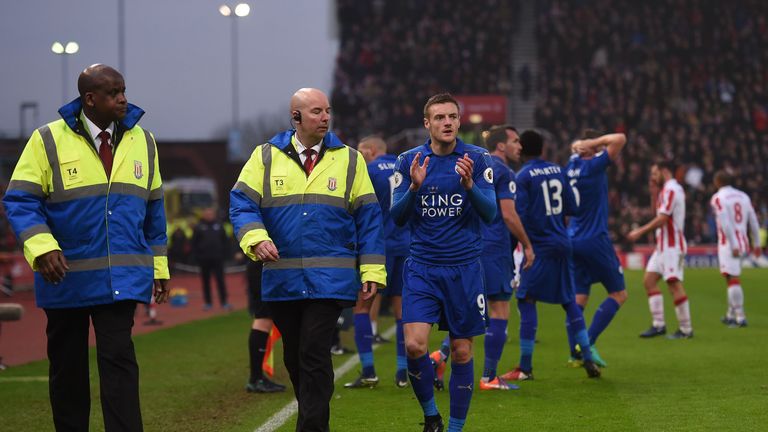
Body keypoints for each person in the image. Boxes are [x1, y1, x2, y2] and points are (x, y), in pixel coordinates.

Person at [2, 64, 169, 431]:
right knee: (68, 370)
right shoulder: (46, 140)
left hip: (121, 279)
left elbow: (154, 211)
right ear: (90, 99)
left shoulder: (145, 141)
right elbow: (19, 201)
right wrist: (43, 248)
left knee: (120, 363)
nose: (123, 98)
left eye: (123, 89)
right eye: (113, 93)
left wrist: (159, 269)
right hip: (65, 278)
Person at [229, 88, 386, 432]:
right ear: (296, 117)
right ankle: (313, 420)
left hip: (331, 279)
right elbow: (241, 203)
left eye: (328, 110)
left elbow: (369, 218)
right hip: (282, 279)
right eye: (317, 112)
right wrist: (256, 238)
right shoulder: (265, 156)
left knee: (314, 352)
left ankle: (312, 427)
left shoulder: (350, 159)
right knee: (295, 356)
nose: (326, 118)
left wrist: (372, 269)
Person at [391, 93, 497, 432]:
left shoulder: (478, 159)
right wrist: (413, 187)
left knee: (462, 352)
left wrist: (469, 186)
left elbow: (490, 213)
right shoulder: (408, 161)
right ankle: (431, 417)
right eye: (439, 118)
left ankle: (454, 428)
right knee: (414, 345)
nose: (447, 122)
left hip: (465, 269)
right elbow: (397, 217)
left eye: (452, 116)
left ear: (459, 121)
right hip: (422, 267)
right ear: (427, 123)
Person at [505, 130, 601, 381]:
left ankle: (525, 367)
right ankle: (587, 357)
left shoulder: (523, 176)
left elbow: (520, 215)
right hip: (563, 242)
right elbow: (573, 207)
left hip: (539, 246)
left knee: (526, 299)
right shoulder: (558, 170)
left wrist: (524, 244)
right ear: (543, 149)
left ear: (522, 149)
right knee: (569, 301)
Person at [475, 125, 534, 391]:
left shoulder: (476, 168)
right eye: (515, 141)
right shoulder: (505, 172)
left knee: (472, 310)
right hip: (495, 247)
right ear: (501, 146)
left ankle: (440, 357)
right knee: (500, 310)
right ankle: (489, 377)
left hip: (471, 246)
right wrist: (528, 245)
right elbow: (509, 215)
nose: (519, 146)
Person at [564, 130, 628, 367]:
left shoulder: (570, 166)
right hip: (595, 239)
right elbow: (620, 138)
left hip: (572, 238)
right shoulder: (594, 166)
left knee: (579, 299)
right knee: (619, 294)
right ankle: (587, 342)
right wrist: (593, 143)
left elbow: (574, 148)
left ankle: (574, 353)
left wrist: (580, 144)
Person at [352, 135, 411, 388]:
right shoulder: (404, 167)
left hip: (377, 248)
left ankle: (368, 371)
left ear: (372, 150)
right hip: (406, 246)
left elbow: (358, 209)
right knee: (401, 311)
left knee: (362, 308)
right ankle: (402, 373)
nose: (359, 154)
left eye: (361, 150)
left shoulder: (367, 170)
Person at [627, 160, 693, 339]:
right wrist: (653, 193)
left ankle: (686, 329)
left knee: (673, 283)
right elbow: (657, 214)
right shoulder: (665, 190)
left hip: (672, 246)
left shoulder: (672, 189)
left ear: (664, 172)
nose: (652, 177)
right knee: (649, 281)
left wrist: (640, 231)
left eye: (655, 173)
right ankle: (658, 325)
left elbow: (663, 219)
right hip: (662, 246)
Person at [709, 170, 761, 327]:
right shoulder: (744, 196)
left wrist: (733, 244)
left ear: (717, 182)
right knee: (730, 278)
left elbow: (725, 222)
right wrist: (757, 243)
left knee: (733, 278)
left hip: (729, 244)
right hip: (743, 241)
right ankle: (730, 314)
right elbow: (753, 220)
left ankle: (740, 317)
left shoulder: (718, 198)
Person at [244, 259, 287, 392]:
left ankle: (256, 377)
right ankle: (256, 379)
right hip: (264, 268)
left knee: (263, 318)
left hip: (261, 267)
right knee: (264, 319)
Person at [191, 207, 232, 310]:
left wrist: (225, 255)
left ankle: (224, 302)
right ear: (203, 215)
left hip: (218, 258)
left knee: (220, 281)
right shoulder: (199, 227)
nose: (209, 216)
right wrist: (197, 257)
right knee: (206, 282)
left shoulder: (219, 225)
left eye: (211, 214)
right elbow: (194, 243)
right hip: (204, 259)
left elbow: (225, 241)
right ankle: (208, 303)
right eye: (207, 214)